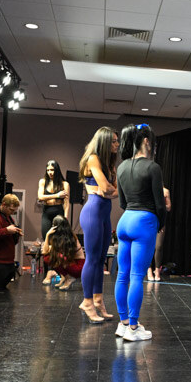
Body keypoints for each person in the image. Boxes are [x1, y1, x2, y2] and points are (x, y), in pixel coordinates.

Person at [115, 124, 166, 341]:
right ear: (146, 141)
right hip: (144, 222)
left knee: (122, 274)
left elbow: (122, 202)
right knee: (137, 275)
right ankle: (134, 328)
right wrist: (161, 223)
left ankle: (124, 323)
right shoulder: (153, 167)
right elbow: (160, 204)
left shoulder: (121, 167)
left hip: (125, 221)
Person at [78, 126, 119, 323]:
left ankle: (98, 300)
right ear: (104, 142)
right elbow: (105, 187)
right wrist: (108, 190)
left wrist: (109, 191)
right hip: (92, 213)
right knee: (92, 259)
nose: (117, 145)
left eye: (117, 141)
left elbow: (116, 191)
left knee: (101, 259)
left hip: (104, 214)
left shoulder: (110, 165)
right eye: (113, 141)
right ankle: (87, 301)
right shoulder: (93, 159)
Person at [42, 215, 84, 291]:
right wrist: (47, 235)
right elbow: (44, 252)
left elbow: (64, 257)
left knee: (56, 256)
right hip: (70, 264)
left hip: (78, 267)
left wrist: (51, 248)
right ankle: (65, 277)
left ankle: (69, 278)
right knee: (48, 257)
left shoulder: (71, 237)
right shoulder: (58, 238)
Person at [37, 159, 69, 239]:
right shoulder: (43, 181)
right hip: (47, 212)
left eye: (52, 170)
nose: (50, 172)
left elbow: (66, 203)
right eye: (48, 170)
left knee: (59, 238)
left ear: (57, 170)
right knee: (46, 237)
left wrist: (65, 218)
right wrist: (57, 195)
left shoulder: (64, 184)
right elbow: (40, 197)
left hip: (58, 211)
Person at [148, 186, 171, 281]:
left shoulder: (165, 191)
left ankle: (157, 270)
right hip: (149, 221)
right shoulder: (148, 189)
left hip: (160, 221)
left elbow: (169, 207)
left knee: (159, 246)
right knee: (148, 245)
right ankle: (149, 269)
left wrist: (161, 204)